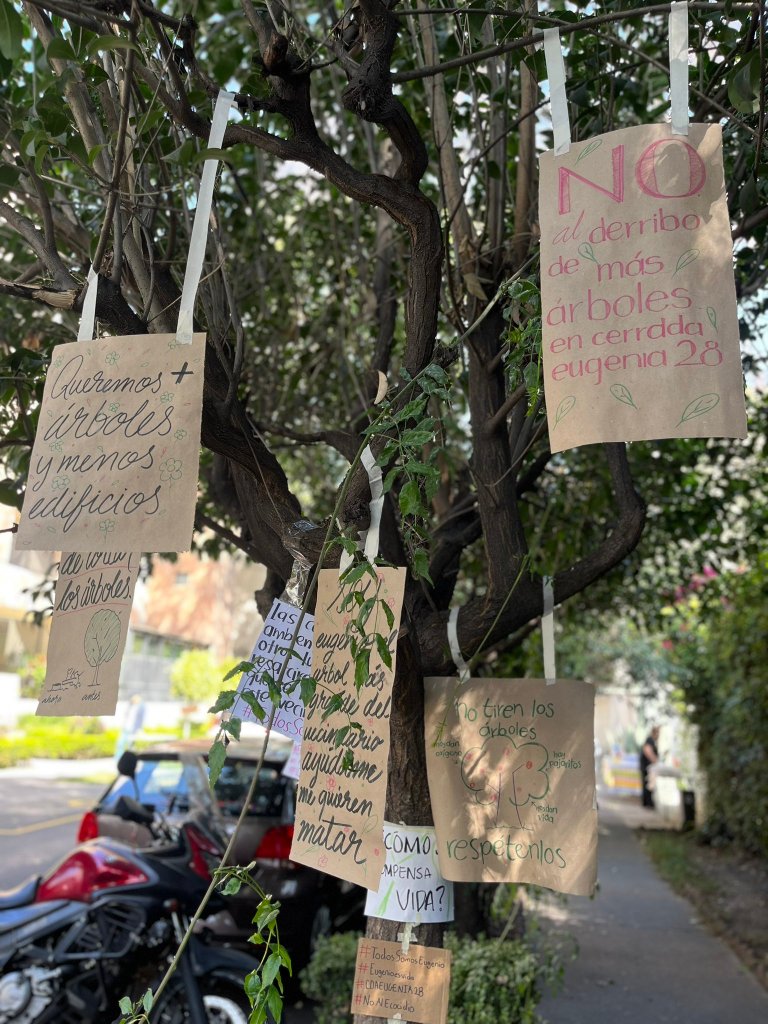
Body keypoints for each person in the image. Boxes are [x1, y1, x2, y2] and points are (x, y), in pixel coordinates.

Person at [639, 725, 660, 808]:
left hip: (648, 767)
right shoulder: (650, 740)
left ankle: (647, 802)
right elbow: (647, 750)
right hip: (647, 767)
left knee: (648, 784)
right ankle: (647, 802)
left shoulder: (652, 740)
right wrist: (655, 760)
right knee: (647, 784)